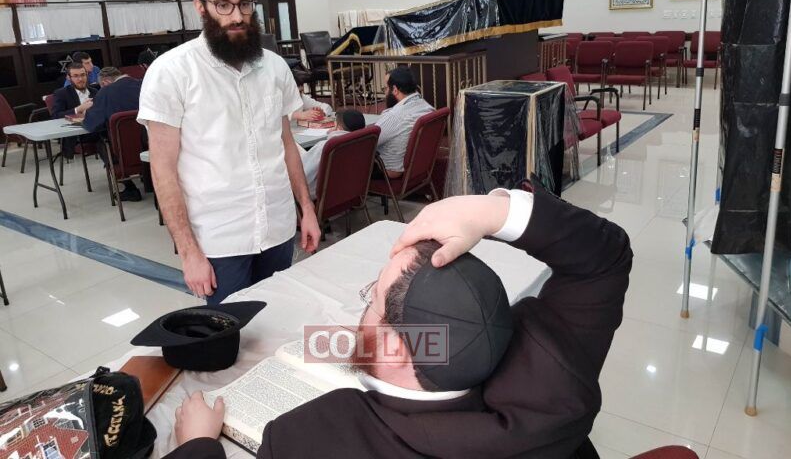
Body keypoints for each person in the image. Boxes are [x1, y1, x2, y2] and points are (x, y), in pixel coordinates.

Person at [164, 182, 633, 459]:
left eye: (371, 299)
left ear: (393, 348)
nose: (362, 311)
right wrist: (492, 211)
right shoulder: (557, 380)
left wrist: (197, 446)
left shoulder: (309, 436)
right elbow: (605, 258)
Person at [137, 0, 320, 305]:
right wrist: (188, 252)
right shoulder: (171, 72)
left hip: (278, 225)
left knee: (277, 317)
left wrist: (306, 209)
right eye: (223, 5)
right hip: (220, 239)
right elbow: (162, 170)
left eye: (244, 4)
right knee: (233, 330)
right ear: (200, 7)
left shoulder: (274, 67)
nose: (237, 16)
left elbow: (286, 144)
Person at [82, 66, 145, 202]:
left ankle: (130, 188)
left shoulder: (106, 92)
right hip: (150, 145)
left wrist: (87, 112)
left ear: (105, 83)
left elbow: (92, 125)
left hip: (123, 151)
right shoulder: (144, 84)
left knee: (102, 142)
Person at [374, 66, 433, 178]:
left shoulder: (395, 116)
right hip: (419, 168)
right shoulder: (428, 107)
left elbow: (369, 142)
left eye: (386, 89)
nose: (385, 93)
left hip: (389, 170)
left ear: (395, 90)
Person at [302, 109, 366, 199]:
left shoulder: (326, 147)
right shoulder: (364, 141)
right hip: (350, 190)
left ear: (338, 127)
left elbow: (304, 175)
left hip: (321, 193)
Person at [51, 61, 99, 159]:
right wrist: (78, 109)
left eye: (83, 75)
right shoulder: (61, 93)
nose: (80, 79)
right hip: (76, 134)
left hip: (96, 129)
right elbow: (56, 115)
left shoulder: (95, 91)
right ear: (69, 78)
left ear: (87, 75)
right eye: (76, 76)